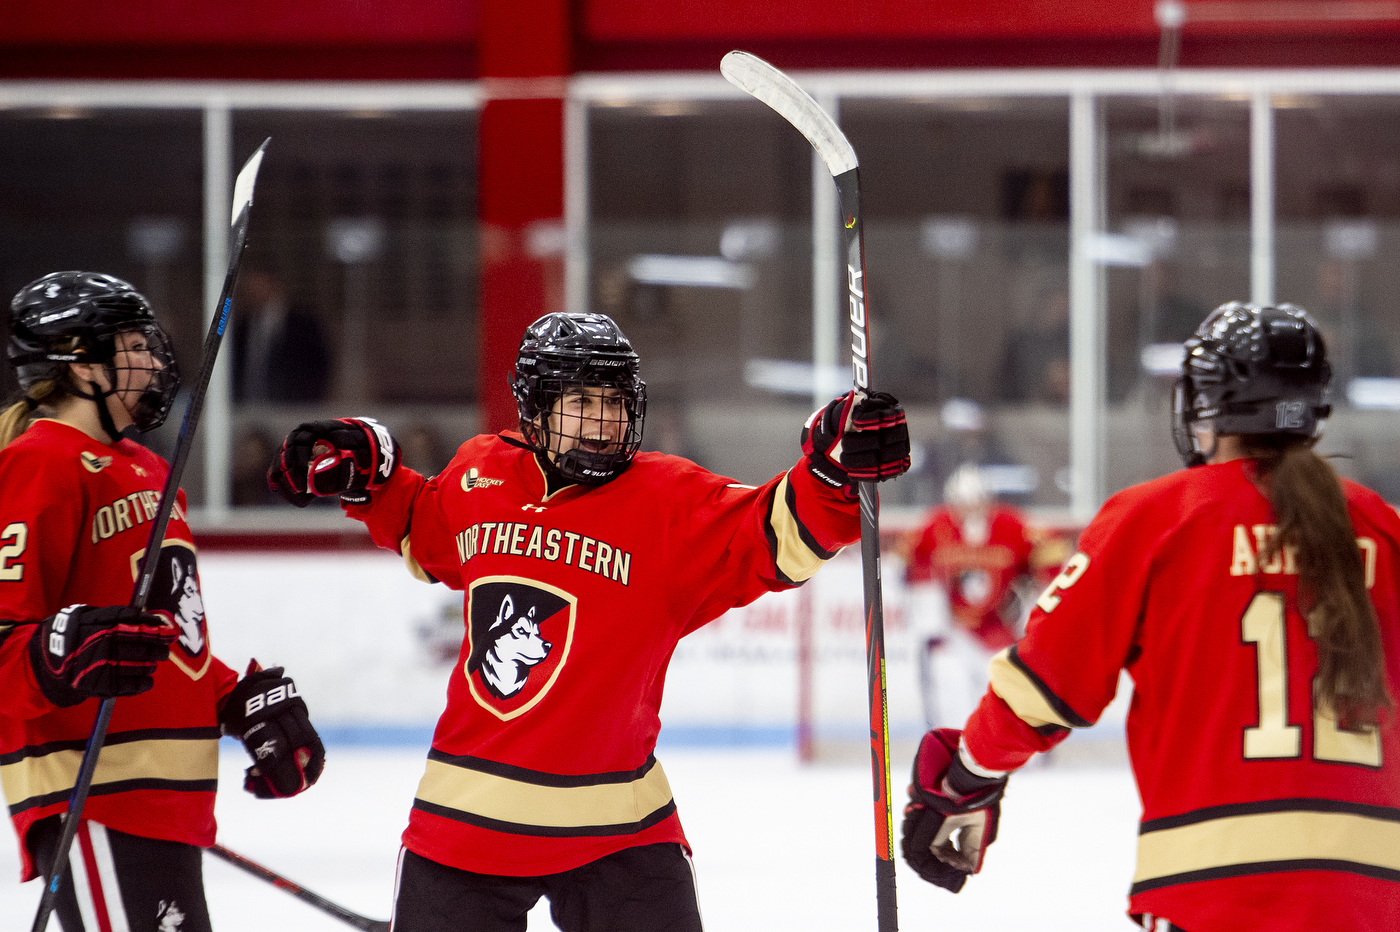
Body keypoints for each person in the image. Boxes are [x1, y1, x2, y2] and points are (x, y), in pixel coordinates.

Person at [266, 311, 912, 932]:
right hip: (465, 816)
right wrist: (368, 478)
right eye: (583, 402)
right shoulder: (480, 471)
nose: (604, 421)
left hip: (619, 825)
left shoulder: (667, 499)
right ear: (537, 407)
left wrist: (829, 473)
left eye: (615, 402)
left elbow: (770, 533)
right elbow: (425, 522)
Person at [900, 302, 1400, 930]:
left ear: (1206, 406)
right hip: (1374, 895)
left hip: (1209, 889)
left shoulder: (1159, 518)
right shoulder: (1383, 526)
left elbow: (1048, 680)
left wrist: (966, 776)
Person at [0, 272, 325, 932]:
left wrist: (235, 698)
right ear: (80, 361)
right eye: (132, 346)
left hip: (166, 796)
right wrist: (54, 652)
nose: (152, 359)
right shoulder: (39, 463)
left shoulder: (148, 471)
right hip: (95, 796)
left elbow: (164, 636)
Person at [902, 464, 1039, 729]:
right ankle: (956, 751)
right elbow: (912, 567)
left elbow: (1045, 563)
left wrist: (1029, 612)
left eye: (977, 502)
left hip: (1001, 631)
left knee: (1006, 701)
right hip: (956, 632)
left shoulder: (1012, 525)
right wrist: (932, 625)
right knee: (950, 685)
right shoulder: (934, 526)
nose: (971, 509)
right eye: (963, 503)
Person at [230, 264, 331, 403]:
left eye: (256, 283)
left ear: (273, 284)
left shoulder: (303, 325)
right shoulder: (241, 328)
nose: (250, 289)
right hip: (247, 410)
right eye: (247, 285)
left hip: (291, 410)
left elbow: (318, 368)